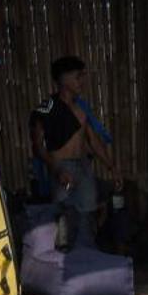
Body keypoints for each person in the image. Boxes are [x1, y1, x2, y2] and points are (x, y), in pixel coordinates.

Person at [30, 55, 119, 248]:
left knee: (87, 219)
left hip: (84, 168)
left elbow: (93, 141)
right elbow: (38, 147)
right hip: (62, 168)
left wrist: (111, 166)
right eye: (77, 77)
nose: (82, 81)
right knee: (62, 221)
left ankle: (86, 264)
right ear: (63, 79)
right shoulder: (47, 109)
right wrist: (57, 170)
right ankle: (64, 266)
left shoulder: (81, 109)